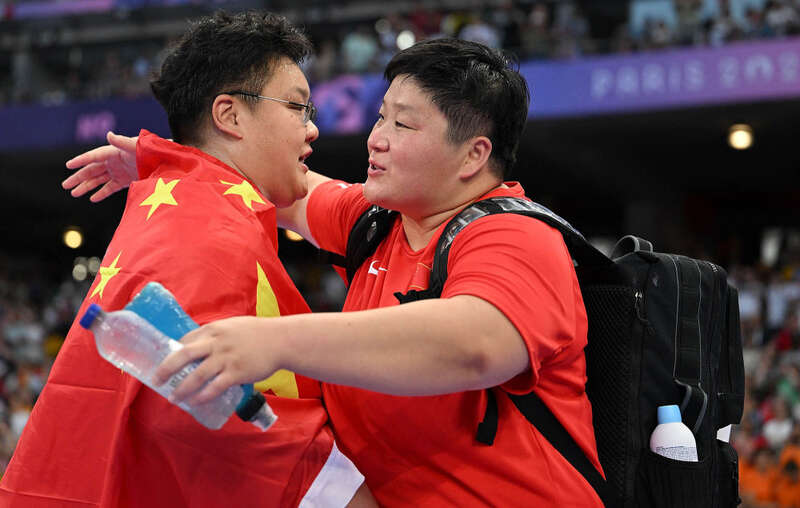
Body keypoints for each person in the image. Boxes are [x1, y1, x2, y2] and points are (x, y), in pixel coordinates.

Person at [62, 38, 604, 506]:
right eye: (381, 116)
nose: (376, 138)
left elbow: (475, 345)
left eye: (402, 124)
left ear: (472, 156)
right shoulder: (376, 221)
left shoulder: (515, 235)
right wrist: (172, 160)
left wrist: (271, 341)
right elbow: (277, 182)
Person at [0, 11, 372, 508]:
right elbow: (209, 416)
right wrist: (347, 495)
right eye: (296, 107)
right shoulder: (214, 232)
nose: (313, 130)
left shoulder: (186, 205)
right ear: (230, 115)